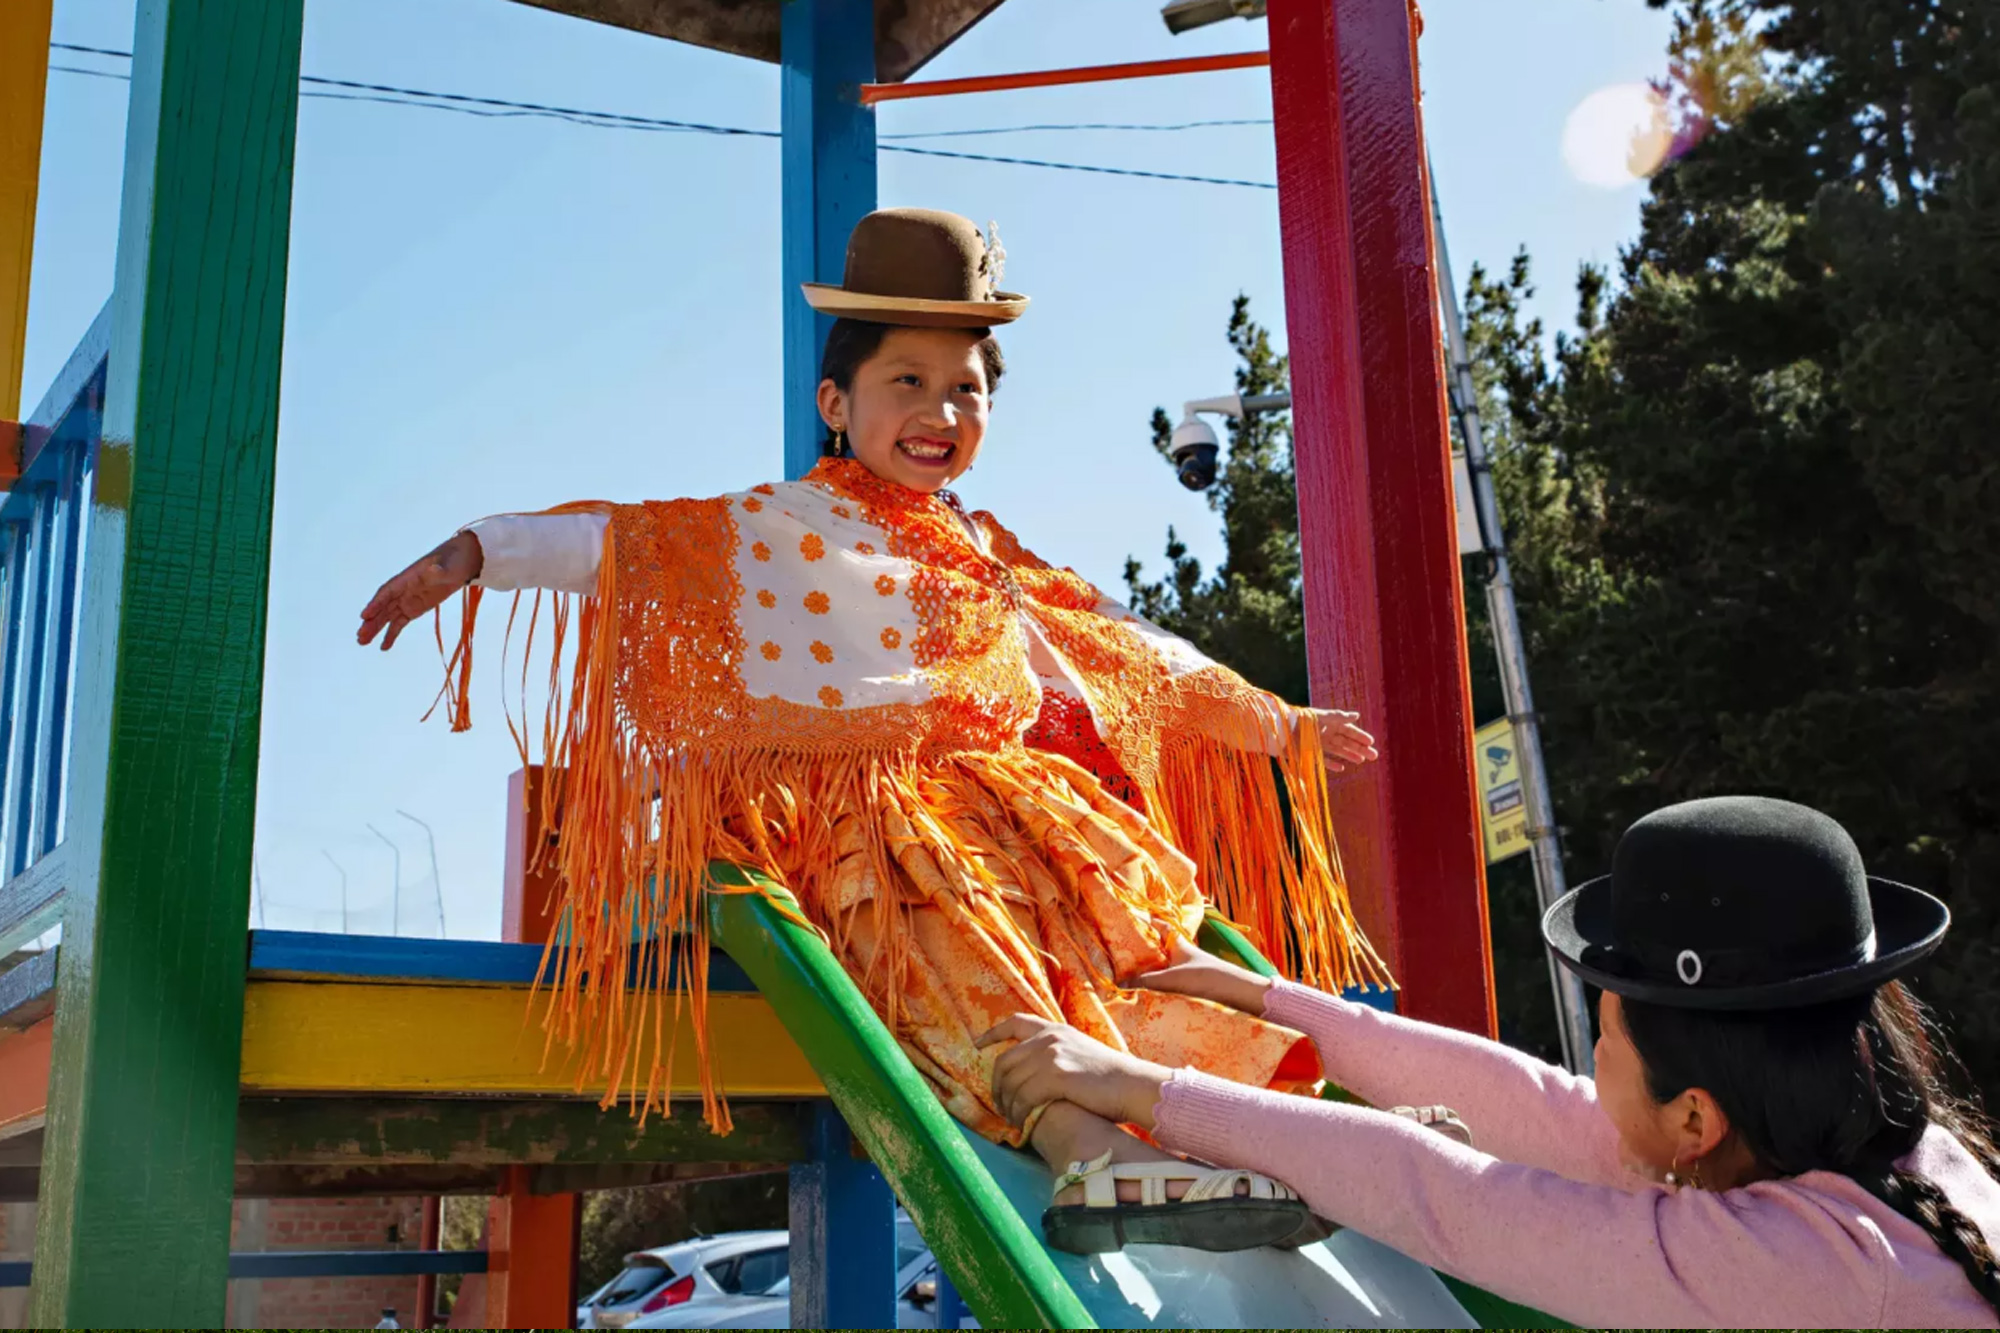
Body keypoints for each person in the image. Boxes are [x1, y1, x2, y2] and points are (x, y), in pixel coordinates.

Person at [356, 208, 1388, 1252]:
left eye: (965, 387)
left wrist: (1272, 721)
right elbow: (625, 544)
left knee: (1131, 931)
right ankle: (1091, 1149)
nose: (939, 408)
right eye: (907, 380)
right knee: (950, 936)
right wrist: (474, 553)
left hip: (1010, 813)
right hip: (870, 824)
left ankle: (1285, 1112)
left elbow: (1122, 643)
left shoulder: (988, 551)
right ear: (834, 403)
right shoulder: (781, 525)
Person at [986, 795, 2000, 1322]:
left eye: (1601, 1036)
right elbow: (1534, 1105)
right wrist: (1269, 1000)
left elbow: (1451, 1199)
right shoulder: (1890, 1155)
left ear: (1695, 1120)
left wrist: (1135, 1087)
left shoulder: (1800, 1271)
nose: (1581, 1063)